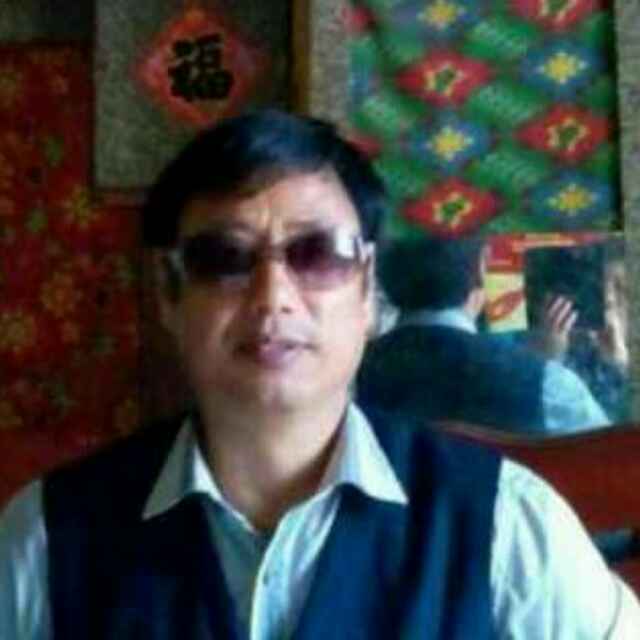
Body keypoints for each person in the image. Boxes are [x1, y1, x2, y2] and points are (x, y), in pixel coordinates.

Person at [0, 110, 638, 639]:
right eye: (225, 257)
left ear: (367, 291)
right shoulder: (48, 539)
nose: (273, 297)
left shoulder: (505, 522)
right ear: (169, 296)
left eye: (317, 253)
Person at [358, 236, 611, 434]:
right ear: (482, 266)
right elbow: (610, 465)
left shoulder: (351, 374)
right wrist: (540, 367)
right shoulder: (549, 385)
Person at [532, 240, 630, 423]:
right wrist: (548, 359)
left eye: (620, 288)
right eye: (597, 286)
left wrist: (621, 366)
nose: (608, 297)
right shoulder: (547, 338)